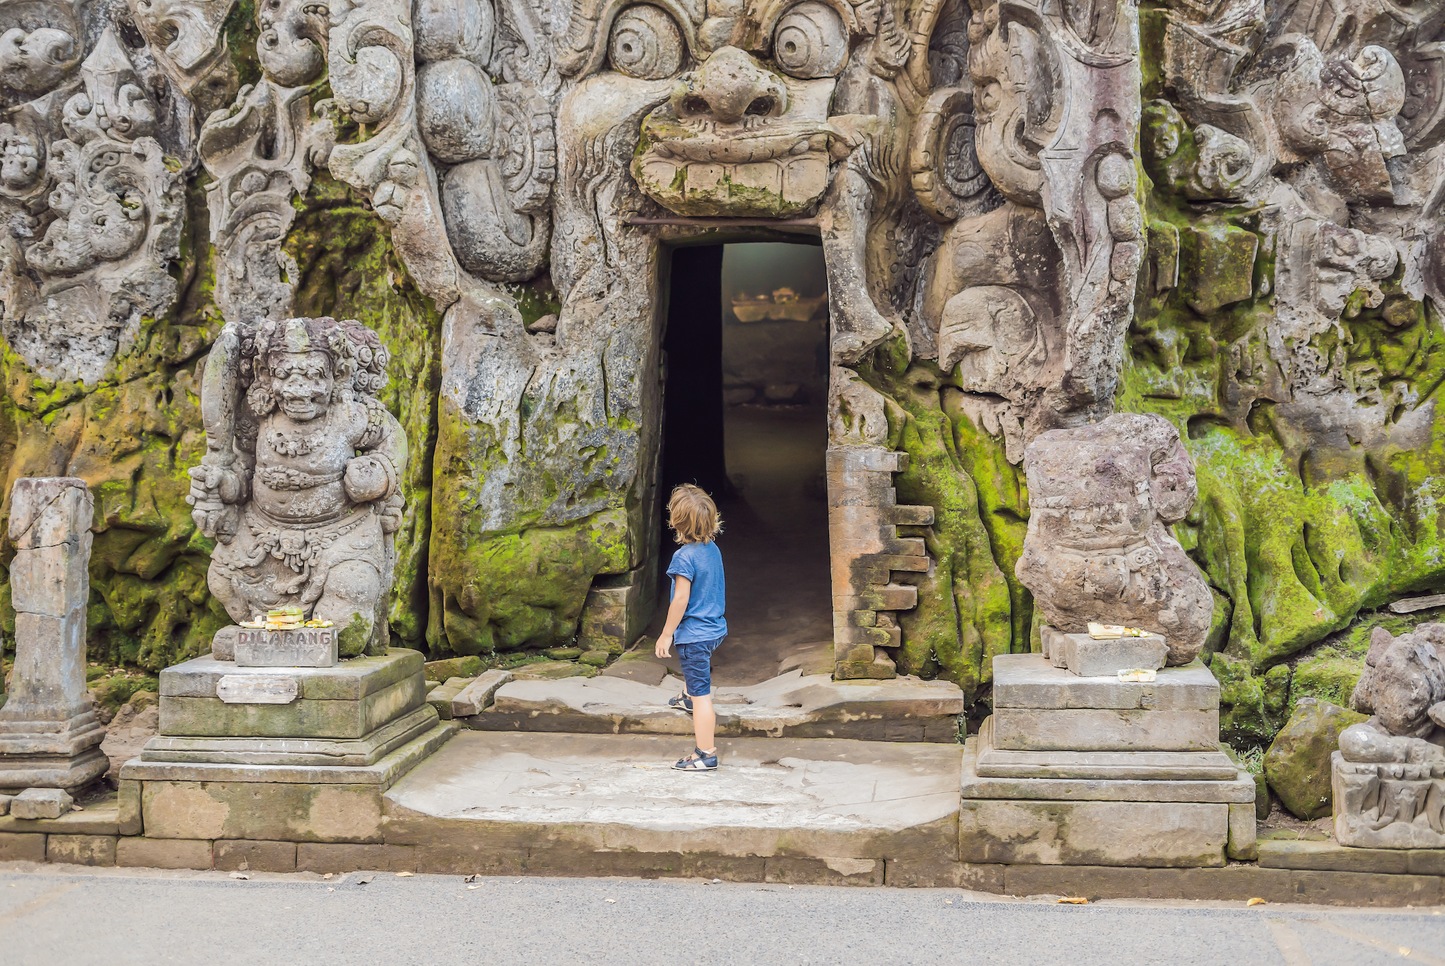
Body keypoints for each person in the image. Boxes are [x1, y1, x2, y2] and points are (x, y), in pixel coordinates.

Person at [655, 483, 727, 771]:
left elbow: (681, 599)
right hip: (715, 628)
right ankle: (686, 695)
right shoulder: (712, 549)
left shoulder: (683, 557)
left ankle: (705, 753)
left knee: (703, 696)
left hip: (695, 635)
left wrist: (666, 633)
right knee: (696, 673)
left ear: (675, 521)